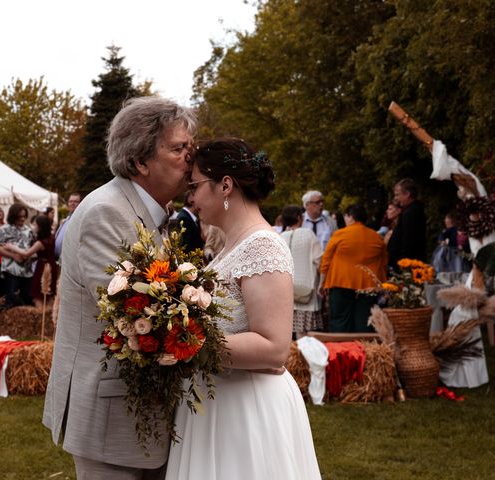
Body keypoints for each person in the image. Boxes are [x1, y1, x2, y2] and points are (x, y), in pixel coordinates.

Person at [43, 96, 196, 479]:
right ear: (140, 161)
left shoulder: (146, 211)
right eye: (179, 149)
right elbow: (134, 311)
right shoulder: (107, 211)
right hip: (108, 408)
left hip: (133, 405)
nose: (191, 159)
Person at [166, 138, 321, 479]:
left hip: (248, 410)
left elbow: (274, 347)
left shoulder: (263, 246)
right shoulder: (232, 246)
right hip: (217, 403)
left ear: (225, 185)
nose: (190, 198)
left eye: (195, 186)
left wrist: (180, 342)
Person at [319, 204, 388, 333]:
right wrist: (384, 286)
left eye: (346, 216)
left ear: (350, 217)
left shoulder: (340, 234)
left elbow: (326, 260)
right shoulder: (377, 237)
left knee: (339, 321)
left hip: (341, 283)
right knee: (365, 322)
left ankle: (341, 351)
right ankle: (364, 350)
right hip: (369, 286)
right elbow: (384, 263)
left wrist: (322, 282)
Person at [279, 204, 323, 335]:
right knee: (304, 336)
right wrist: (322, 283)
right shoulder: (308, 234)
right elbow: (319, 260)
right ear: (299, 218)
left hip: (286, 293)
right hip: (307, 291)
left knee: (286, 335)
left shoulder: (281, 237)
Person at [4, 214, 58, 308]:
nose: (34, 227)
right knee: (49, 295)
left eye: (35, 225)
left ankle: (40, 314)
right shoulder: (52, 238)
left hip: (43, 267)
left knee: (38, 295)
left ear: (40, 227)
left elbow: (26, 253)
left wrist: (12, 247)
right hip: (52, 266)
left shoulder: (40, 242)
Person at [0, 204, 35, 309]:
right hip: (11, 269)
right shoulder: (3, 229)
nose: (22, 219)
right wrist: (13, 256)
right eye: (19, 216)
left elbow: (33, 248)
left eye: (24, 216)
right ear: (13, 216)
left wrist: (29, 256)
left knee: (26, 299)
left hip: (27, 270)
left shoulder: (29, 230)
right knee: (11, 301)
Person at [387, 177, 427, 269]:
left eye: (398, 195)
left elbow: (408, 242)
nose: (396, 199)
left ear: (407, 194)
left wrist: (402, 263)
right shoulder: (413, 211)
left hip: (407, 265)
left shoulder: (410, 213)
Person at [54, 192, 81, 260]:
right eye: (70, 201)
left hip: (69, 260)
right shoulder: (67, 219)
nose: (72, 203)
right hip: (58, 260)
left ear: (80, 204)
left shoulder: (80, 220)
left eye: (75, 201)